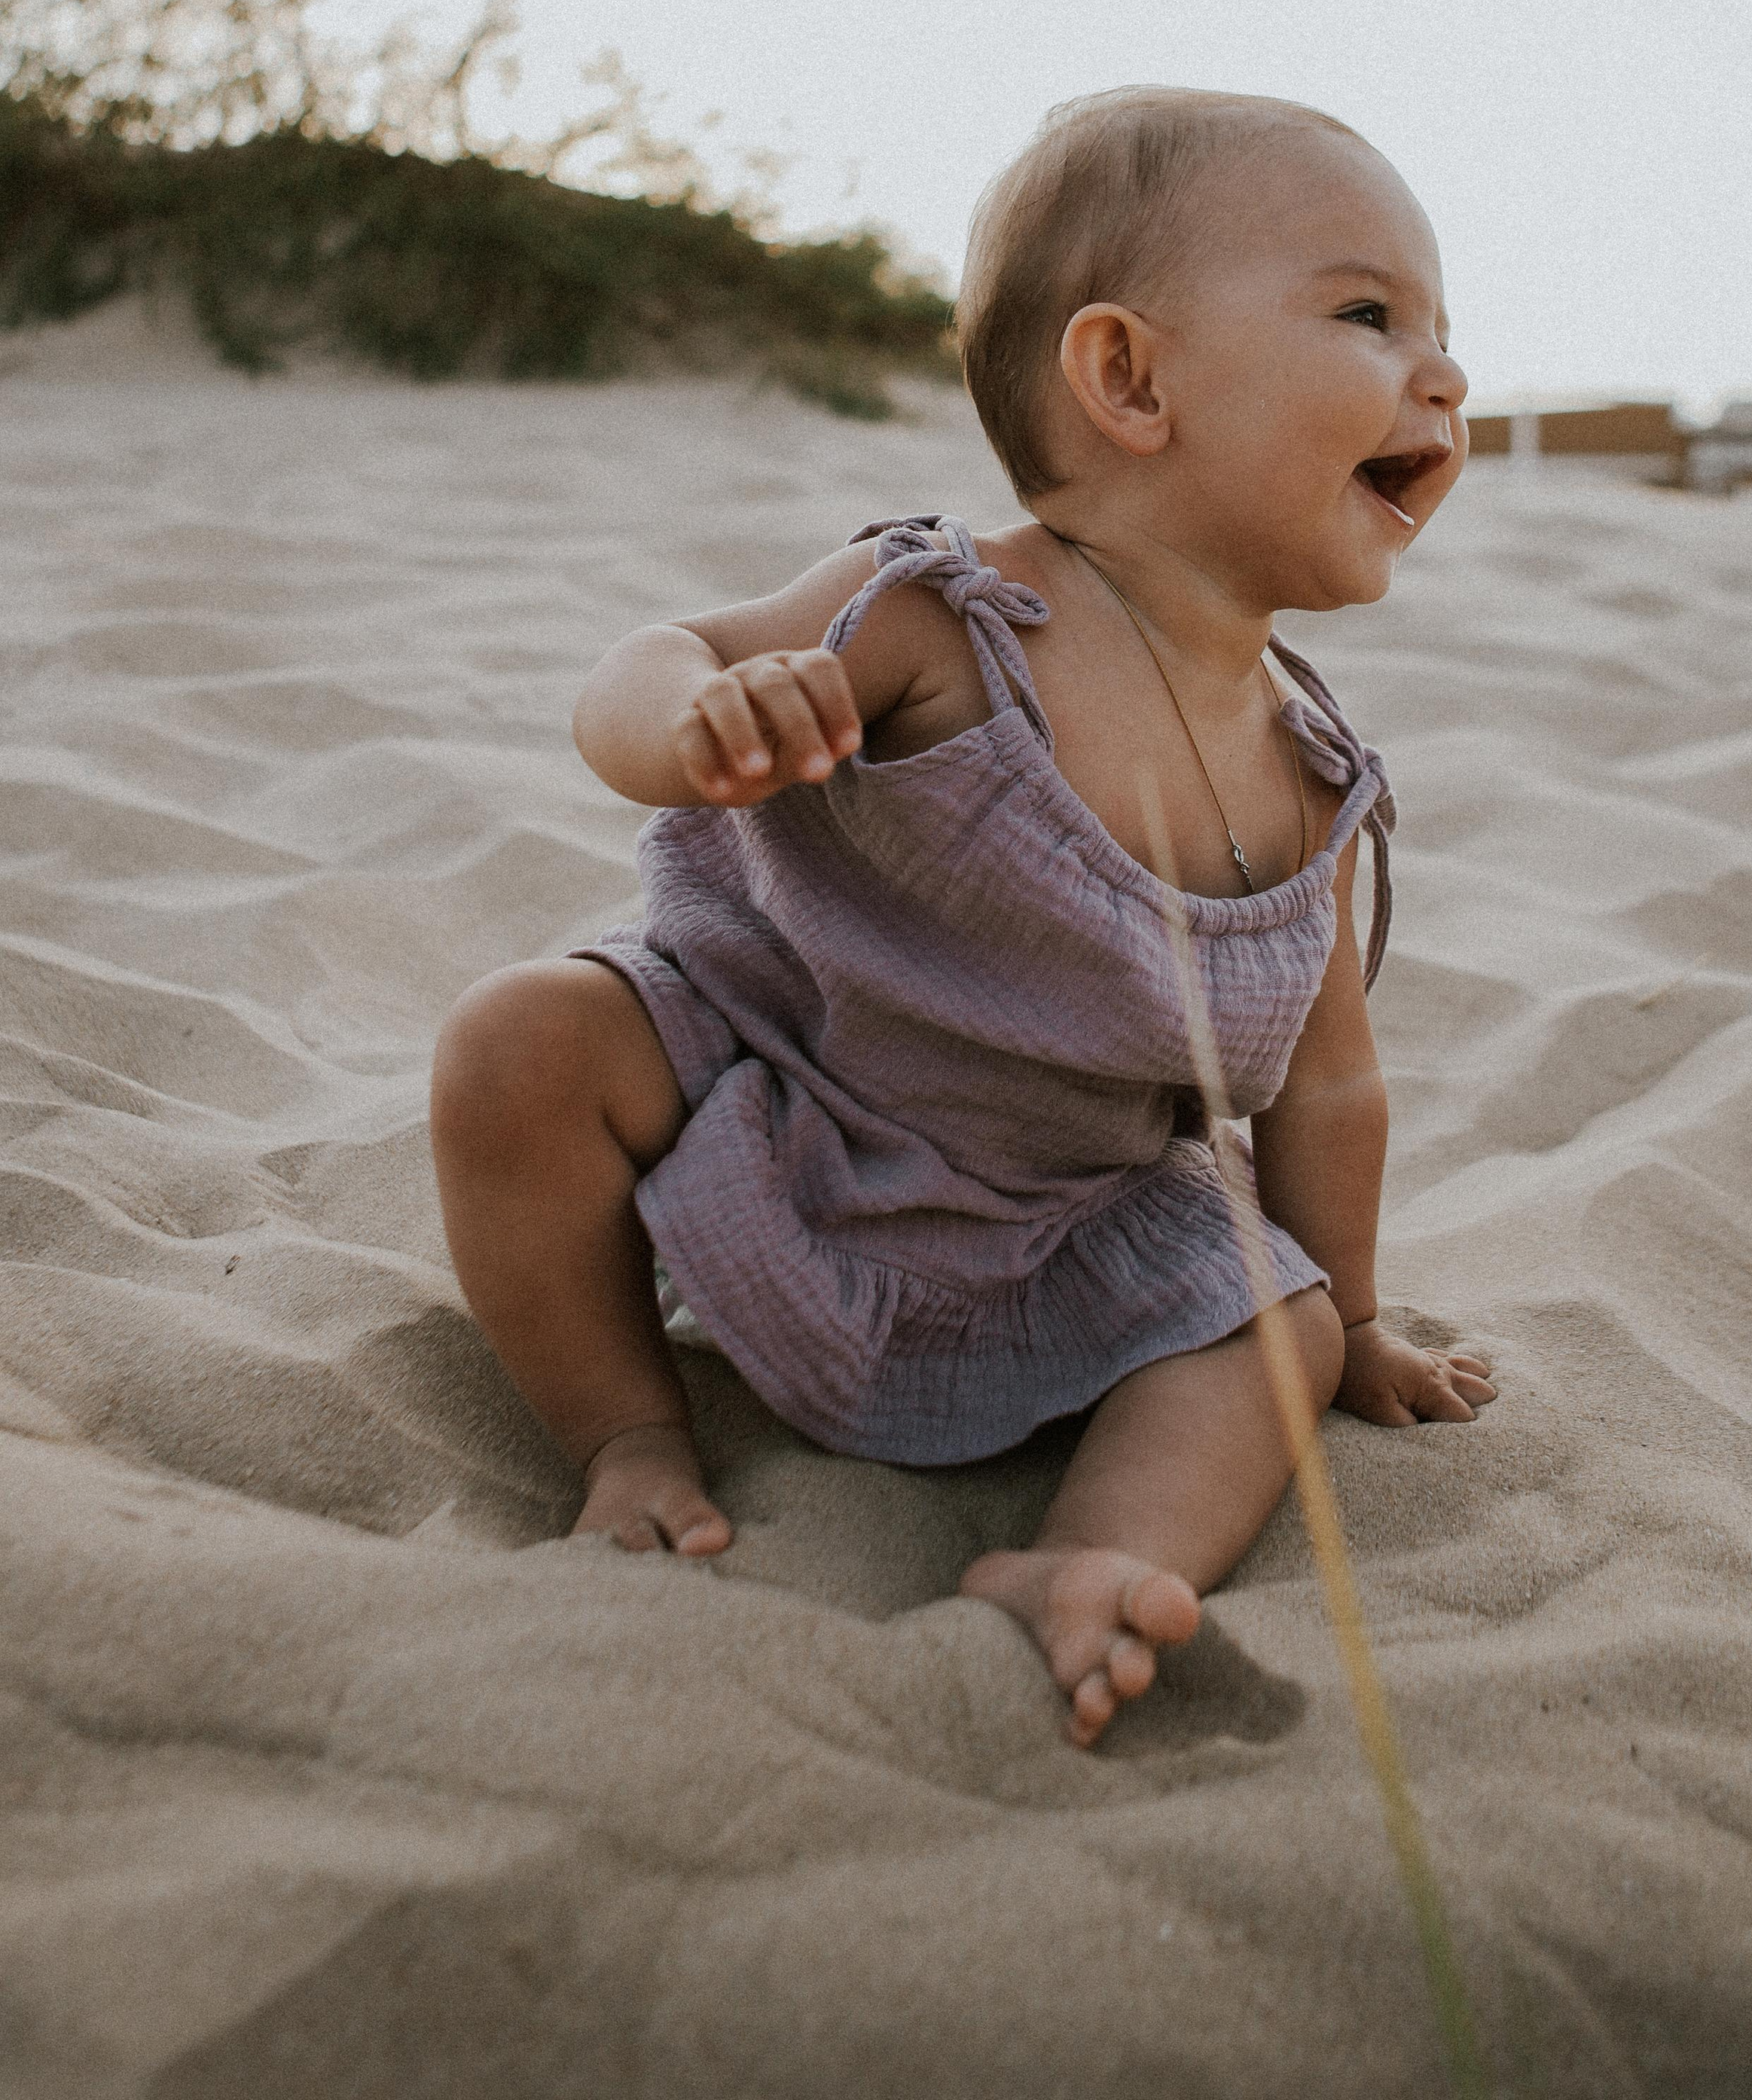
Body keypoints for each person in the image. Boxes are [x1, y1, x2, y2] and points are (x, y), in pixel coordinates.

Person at [431, 87, 1497, 1744]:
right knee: (520, 1039)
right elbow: (657, 661)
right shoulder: (942, 615)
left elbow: (1328, 1087)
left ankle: (1085, 1560)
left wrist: (1348, 1318)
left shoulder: (1309, 780)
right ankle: (626, 1432)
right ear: (1127, 379)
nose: (1440, 373)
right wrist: (692, 728)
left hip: (1045, 1219)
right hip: (770, 1103)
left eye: (1442, 331)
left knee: (1267, 1319)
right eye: (1368, 315)